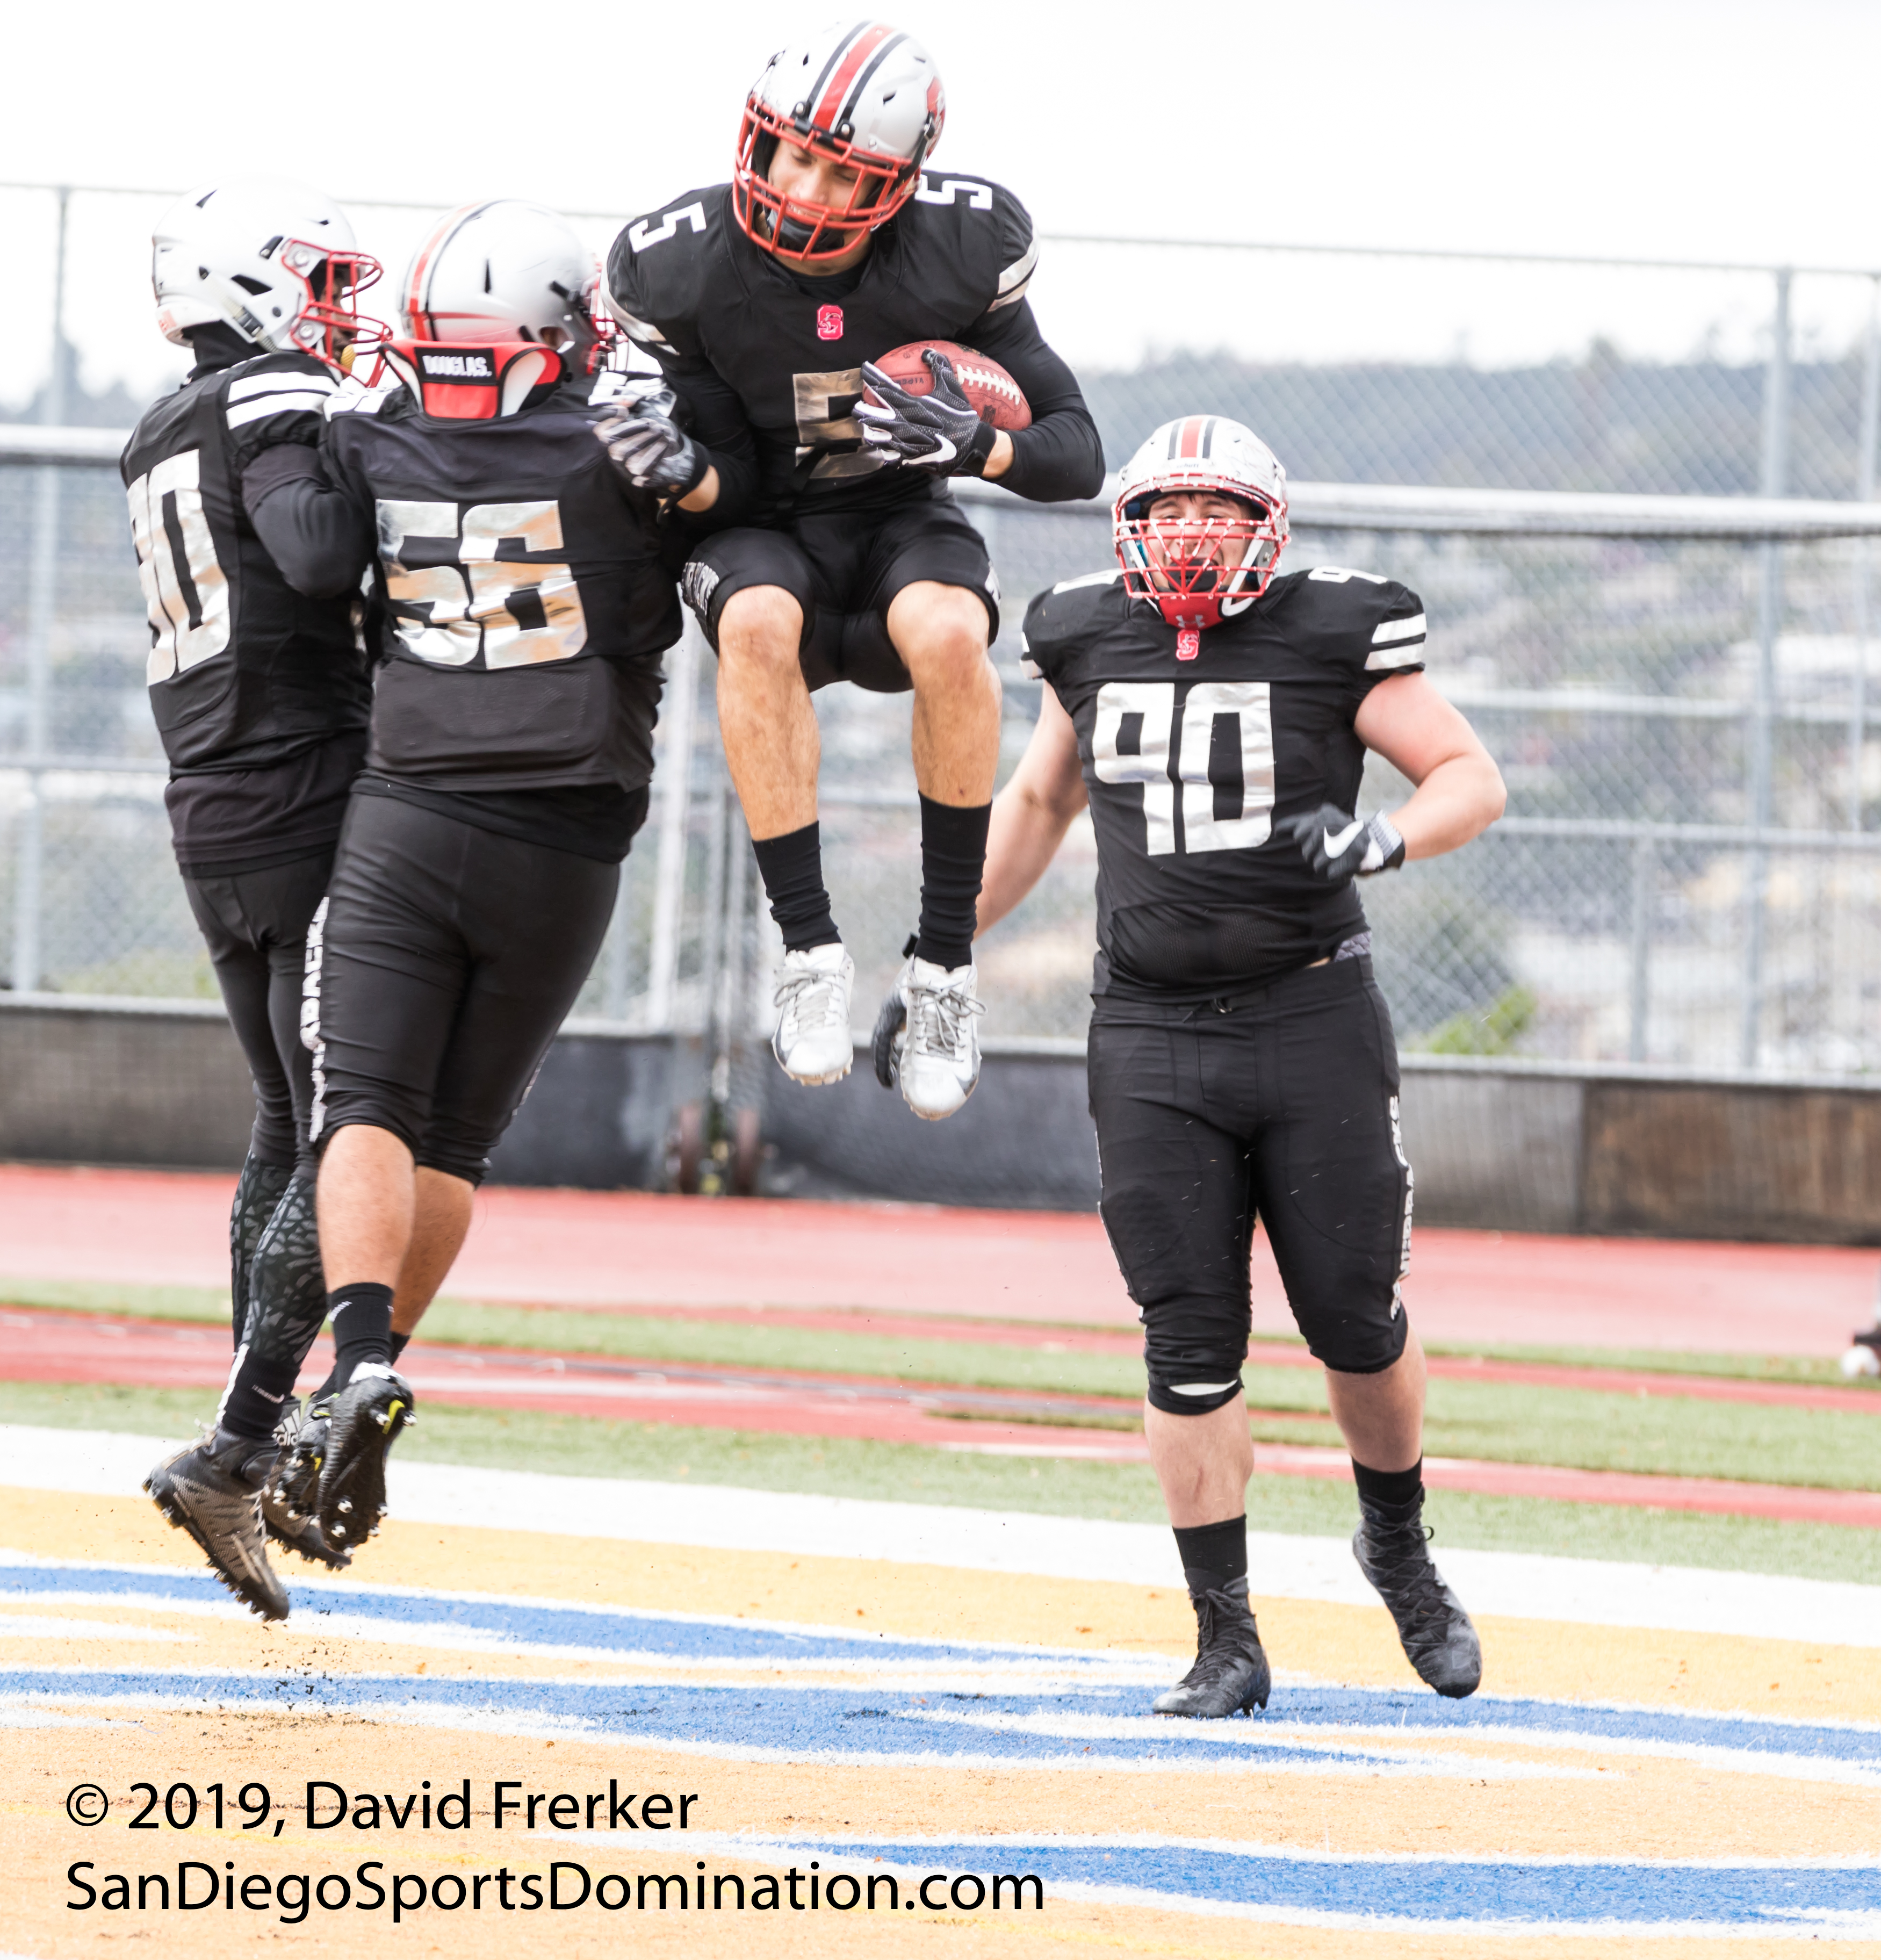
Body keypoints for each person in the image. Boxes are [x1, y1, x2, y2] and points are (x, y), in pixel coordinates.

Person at [963, 414, 1507, 1713]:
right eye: (1168, 510)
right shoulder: (1081, 630)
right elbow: (1037, 800)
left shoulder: (1335, 626)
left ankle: (1394, 1543)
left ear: (1266, 526)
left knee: (1353, 1319)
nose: (1190, 532)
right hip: (1149, 1030)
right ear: (1129, 525)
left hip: (1310, 1016)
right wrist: (939, 943)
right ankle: (1224, 1636)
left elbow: (1466, 773)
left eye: (1216, 510)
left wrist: (1383, 840)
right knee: (1185, 1339)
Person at [228, 199, 679, 1601]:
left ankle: (358, 1364)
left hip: (414, 810)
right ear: (556, 335)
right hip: (573, 836)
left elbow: (310, 551)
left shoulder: (366, 437)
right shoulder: (615, 450)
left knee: (364, 1106)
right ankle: (360, 1384)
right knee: (458, 1143)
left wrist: (282, 420)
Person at [599, 20, 1104, 1119]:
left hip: (894, 522)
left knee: (950, 633)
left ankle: (944, 965)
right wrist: (684, 473)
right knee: (754, 623)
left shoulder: (959, 247)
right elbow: (732, 484)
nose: (804, 188)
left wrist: (974, 445)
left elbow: (1076, 451)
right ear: (759, 138)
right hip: (761, 523)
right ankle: (808, 950)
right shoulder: (682, 264)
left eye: (843, 172)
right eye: (794, 155)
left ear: (900, 184)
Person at [128, 175, 389, 1615]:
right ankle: (252, 1434)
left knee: (287, 1119)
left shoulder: (158, 426)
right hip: (299, 790)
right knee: (343, 1124)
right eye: (324, 283)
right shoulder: (273, 393)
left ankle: (255, 1420)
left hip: (211, 800)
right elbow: (314, 552)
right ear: (256, 285)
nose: (339, 314)